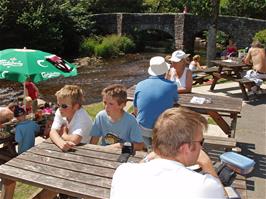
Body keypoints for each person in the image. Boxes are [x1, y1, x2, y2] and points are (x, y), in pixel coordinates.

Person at [111, 107, 225, 199]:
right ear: (185, 148)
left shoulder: (123, 172)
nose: (201, 147)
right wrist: (207, 165)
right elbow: (222, 194)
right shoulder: (206, 186)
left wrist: (147, 158)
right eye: (201, 142)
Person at [133, 56, 178, 149]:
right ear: (165, 70)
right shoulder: (172, 86)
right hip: (162, 129)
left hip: (142, 128)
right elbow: (175, 102)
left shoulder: (140, 84)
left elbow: (136, 110)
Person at [90, 84, 144, 151]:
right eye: (105, 102)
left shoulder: (131, 121)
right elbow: (94, 139)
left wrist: (120, 146)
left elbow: (139, 145)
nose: (106, 107)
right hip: (105, 153)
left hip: (123, 154)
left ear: (122, 105)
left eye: (111, 104)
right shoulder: (100, 116)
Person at [49, 85, 93, 151]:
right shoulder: (60, 111)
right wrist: (61, 143)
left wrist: (63, 134)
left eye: (64, 106)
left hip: (85, 150)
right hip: (71, 148)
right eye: (58, 105)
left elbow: (75, 140)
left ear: (76, 106)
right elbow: (52, 132)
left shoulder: (82, 116)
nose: (60, 109)